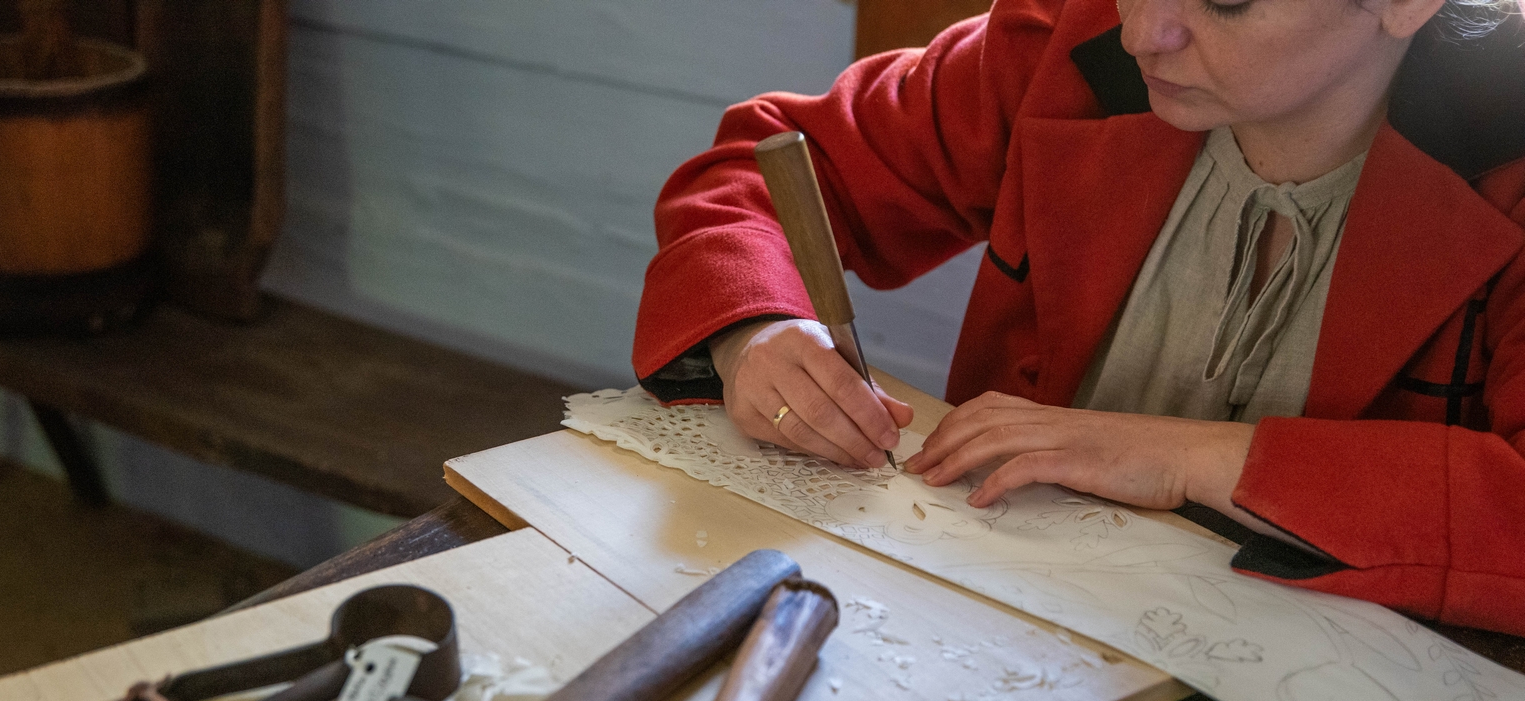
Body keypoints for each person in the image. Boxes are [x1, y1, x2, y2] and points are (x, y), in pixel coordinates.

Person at [629, 0, 1525, 636]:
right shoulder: (1066, 42)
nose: (1143, 33)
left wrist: (1186, 456)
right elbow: (766, 168)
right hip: (999, 629)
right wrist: (757, 331)